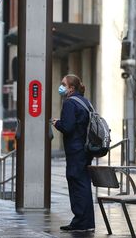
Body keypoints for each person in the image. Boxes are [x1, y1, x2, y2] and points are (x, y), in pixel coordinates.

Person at [52, 74, 95, 232]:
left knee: (76, 185)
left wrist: (58, 124)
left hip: (75, 150)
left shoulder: (70, 103)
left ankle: (79, 222)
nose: (61, 86)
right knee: (84, 185)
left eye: (63, 84)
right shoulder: (85, 102)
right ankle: (87, 221)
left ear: (71, 88)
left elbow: (68, 127)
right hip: (85, 149)